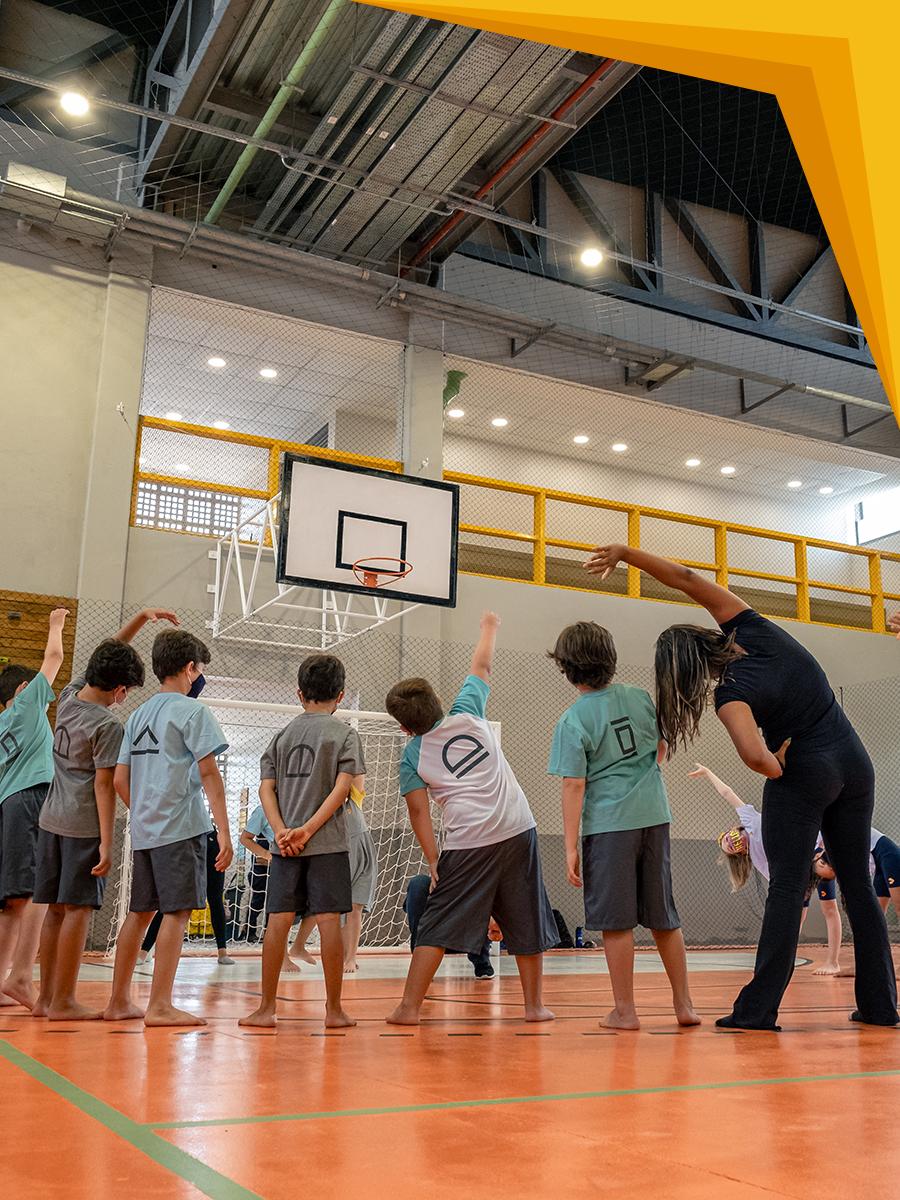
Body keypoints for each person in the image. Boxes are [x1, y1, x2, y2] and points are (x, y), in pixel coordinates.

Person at [586, 543, 898, 1030]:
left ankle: (757, 1010)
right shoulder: (753, 627)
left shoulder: (731, 695)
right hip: (855, 762)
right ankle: (882, 1007)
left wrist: (779, 762)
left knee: (787, 888)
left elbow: (760, 761)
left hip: (805, 773)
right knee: (857, 881)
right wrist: (626, 552)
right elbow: (686, 574)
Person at [384, 611, 557, 1026]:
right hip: (517, 828)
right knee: (525, 917)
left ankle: (409, 1007)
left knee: (438, 921)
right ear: (439, 703)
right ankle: (533, 1006)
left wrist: (432, 858)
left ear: (406, 727)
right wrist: (490, 628)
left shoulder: (413, 754)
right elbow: (482, 665)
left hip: (467, 841)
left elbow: (418, 810)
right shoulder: (470, 713)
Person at [548, 621, 698, 1030]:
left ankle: (625, 1011)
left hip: (609, 826)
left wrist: (570, 847)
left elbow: (574, 784)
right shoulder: (640, 698)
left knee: (616, 922)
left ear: (568, 669)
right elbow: (661, 750)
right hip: (654, 816)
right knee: (664, 916)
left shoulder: (573, 719)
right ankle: (684, 1006)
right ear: (609, 660)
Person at [32, 610, 166, 1021]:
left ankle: (46, 998)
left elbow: (106, 651)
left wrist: (140, 619)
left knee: (54, 910)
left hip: (49, 820)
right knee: (77, 910)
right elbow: (103, 786)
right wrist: (108, 842)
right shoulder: (108, 724)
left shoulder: (71, 698)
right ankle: (64, 1000)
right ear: (121, 690)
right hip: (82, 827)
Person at [104, 629, 233, 1026]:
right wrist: (225, 834)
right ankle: (159, 1005)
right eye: (199, 670)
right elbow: (209, 774)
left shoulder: (139, 714)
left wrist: (144, 810)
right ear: (190, 668)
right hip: (181, 828)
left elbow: (119, 781)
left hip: (145, 831)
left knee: (140, 912)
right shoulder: (194, 712)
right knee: (176, 913)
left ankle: (118, 1002)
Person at [239, 654, 365, 1029]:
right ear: (340, 695)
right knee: (328, 921)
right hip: (326, 844)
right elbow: (344, 789)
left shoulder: (282, 736)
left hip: (284, 845)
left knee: (277, 922)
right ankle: (334, 1010)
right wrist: (308, 830)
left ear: (299, 693)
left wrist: (280, 830)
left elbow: (267, 789)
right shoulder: (345, 734)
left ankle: (265, 1008)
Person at [689, 762, 843, 975]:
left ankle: (833, 961)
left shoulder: (750, 820)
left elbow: (727, 793)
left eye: (729, 837)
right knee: (795, 918)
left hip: (816, 851)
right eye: (732, 847)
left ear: (735, 830)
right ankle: (785, 960)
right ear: (740, 853)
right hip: (799, 873)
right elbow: (778, 880)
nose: (732, 841)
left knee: (830, 908)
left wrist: (708, 772)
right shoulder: (757, 858)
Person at [0, 608, 68, 1009]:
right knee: (31, 894)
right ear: (23, 689)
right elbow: (55, 659)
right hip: (30, 799)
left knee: (10, 902)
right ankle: (22, 977)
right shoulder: (27, 706)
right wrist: (56, 624)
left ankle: (5, 980)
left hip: (6, 806)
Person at [137, 826, 235, 967]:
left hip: (209, 840)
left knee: (215, 898)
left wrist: (224, 837)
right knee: (171, 902)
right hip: (184, 841)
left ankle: (222, 951)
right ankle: (144, 950)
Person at [403, 874, 493, 978]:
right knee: (418, 884)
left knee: (481, 885)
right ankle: (421, 963)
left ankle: (481, 959)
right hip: (435, 932)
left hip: (467, 931)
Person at [814, 828, 900, 920]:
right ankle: (872, 934)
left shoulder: (826, 830)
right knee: (877, 915)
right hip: (878, 866)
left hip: (888, 857)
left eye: (823, 864)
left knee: (898, 907)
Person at [341, 780, 378, 973]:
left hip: (361, 854)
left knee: (355, 907)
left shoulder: (353, 799)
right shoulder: (324, 804)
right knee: (339, 911)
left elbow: (358, 776)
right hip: (338, 854)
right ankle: (342, 955)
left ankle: (351, 957)